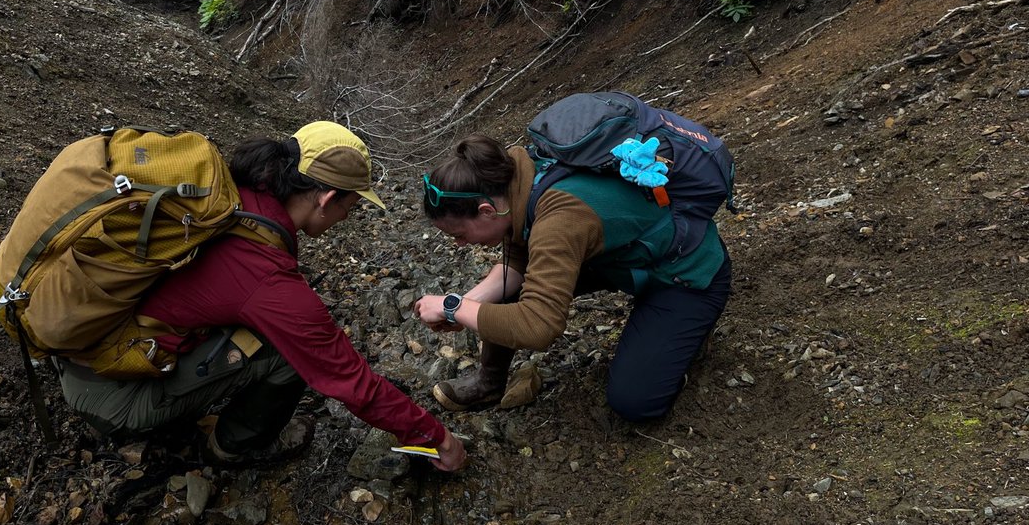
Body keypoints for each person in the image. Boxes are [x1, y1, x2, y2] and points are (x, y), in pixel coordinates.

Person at [57, 121, 466, 472]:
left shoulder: (227, 197)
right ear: (327, 199)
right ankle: (230, 449)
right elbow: (350, 381)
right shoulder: (265, 275)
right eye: (351, 207)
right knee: (287, 353)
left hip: (82, 347)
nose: (346, 218)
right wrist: (438, 438)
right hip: (113, 396)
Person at [413, 134, 731, 422]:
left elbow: (539, 326)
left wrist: (453, 307)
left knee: (634, 402)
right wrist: (466, 304)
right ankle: (489, 382)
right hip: (622, 256)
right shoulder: (513, 181)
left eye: (459, 234)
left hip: (685, 274)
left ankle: (684, 335)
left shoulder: (560, 218)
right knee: (506, 292)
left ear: (485, 211)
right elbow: (517, 264)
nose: (460, 244)